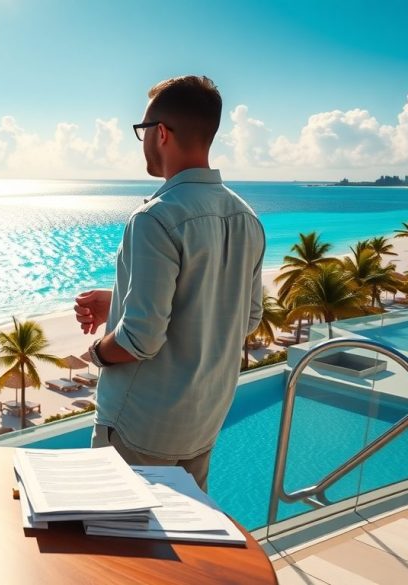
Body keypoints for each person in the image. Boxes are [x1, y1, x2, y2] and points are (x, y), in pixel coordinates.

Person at [75, 75, 265, 491]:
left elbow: (139, 340)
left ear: (160, 133)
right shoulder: (246, 217)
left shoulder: (155, 218)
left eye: (142, 130)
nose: (142, 140)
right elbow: (246, 317)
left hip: (139, 425)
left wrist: (97, 352)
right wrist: (119, 300)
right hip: (202, 422)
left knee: (119, 530)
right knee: (184, 529)